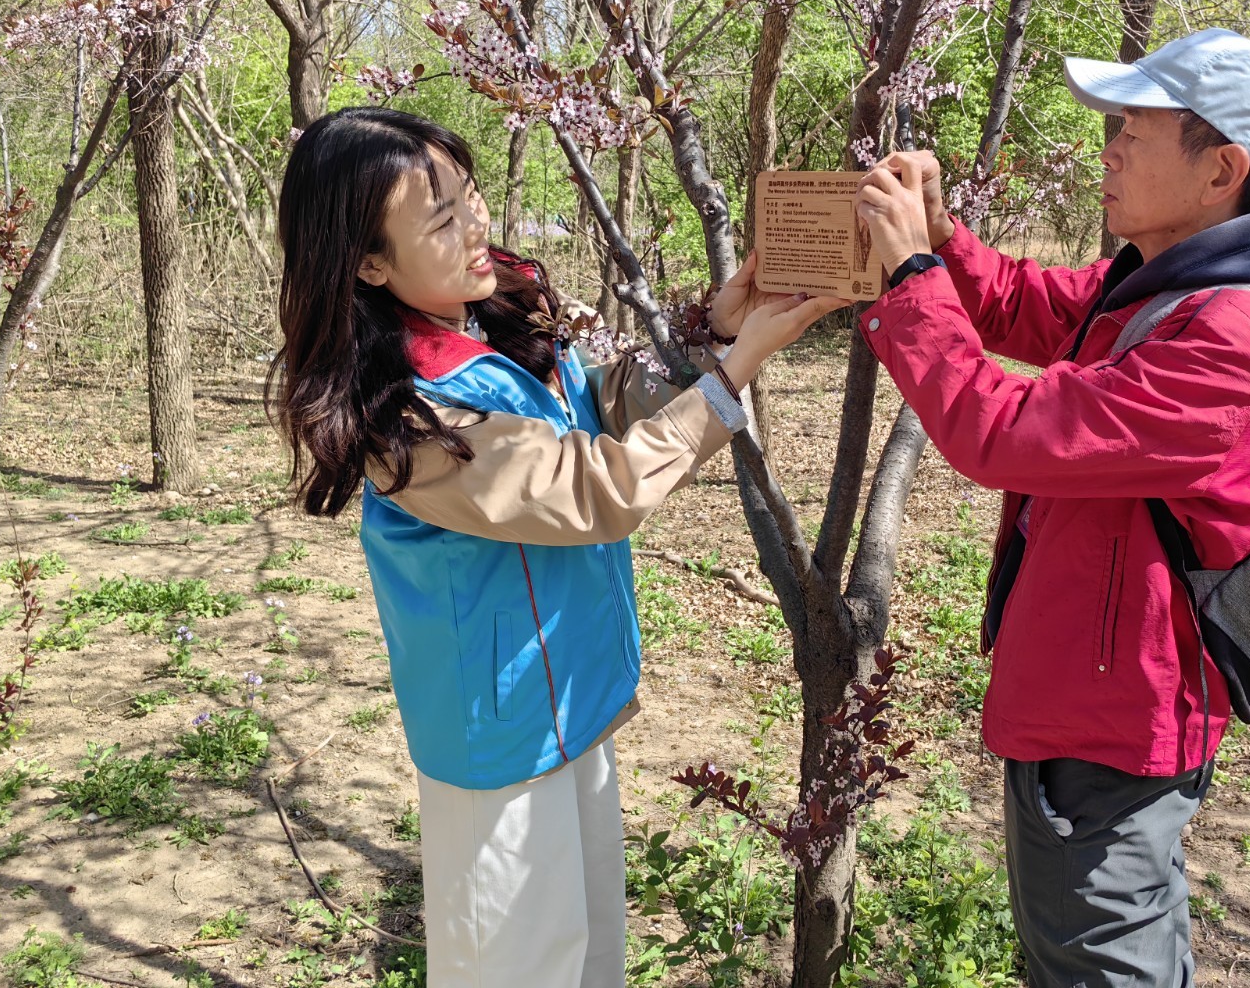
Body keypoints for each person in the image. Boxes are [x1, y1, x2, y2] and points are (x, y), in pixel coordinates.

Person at [269, 106, 844, 988]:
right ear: (368, 263)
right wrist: (733, 377)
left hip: (570, 704)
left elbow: (592, 414)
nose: (476, 228)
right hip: (497, 740)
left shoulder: (485, 328)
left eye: (470, 197)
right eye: (441, 219)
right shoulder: (411, 418)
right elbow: (596, 489)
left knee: (588, 954)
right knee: (517, 968)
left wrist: (709, 339)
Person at [852, 29, 1250, 987]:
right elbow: (1024, 307)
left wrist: (913, 277)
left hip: (1112, 724)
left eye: (1135, 125)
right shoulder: (1172, 284)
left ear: (1221, 168)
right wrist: (944, 236)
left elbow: (1001, 430)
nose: (1111, 145)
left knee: (1100, 963)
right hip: (1100, 695)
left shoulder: (1237, 339)